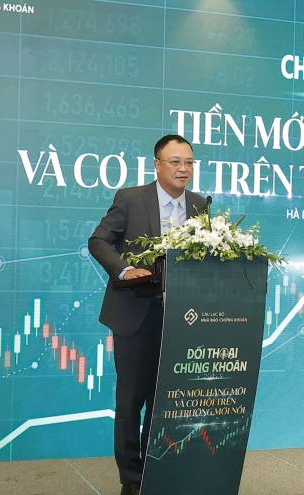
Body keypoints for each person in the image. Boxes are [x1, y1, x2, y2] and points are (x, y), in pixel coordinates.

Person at [88, 134, 208, 495]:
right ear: (157, 165)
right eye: (175, 161)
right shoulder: (130, 199)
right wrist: (125, 270)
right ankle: (132, 477)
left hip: (180, 317)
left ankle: (158, 469)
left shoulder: (200, 205)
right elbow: (98, 241)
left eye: (189, 162)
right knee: (131, 401)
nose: (183, 168)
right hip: (135, 312)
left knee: (165, 400)